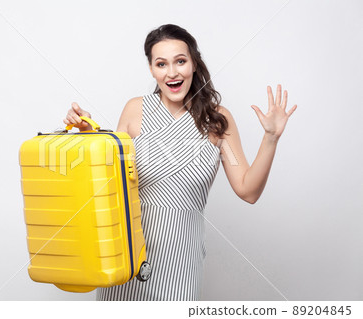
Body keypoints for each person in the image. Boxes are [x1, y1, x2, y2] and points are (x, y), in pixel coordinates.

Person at [63, 24, 297, 301]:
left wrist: (270, 137)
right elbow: (108, 181)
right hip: (128, 256)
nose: (172, 72)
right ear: (151, 69)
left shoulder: (217, 122)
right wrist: (89, 136)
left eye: (180, 61)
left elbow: (248, 190)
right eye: (161, 63)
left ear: (194, 64)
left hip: (181, 260)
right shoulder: (135, 111)